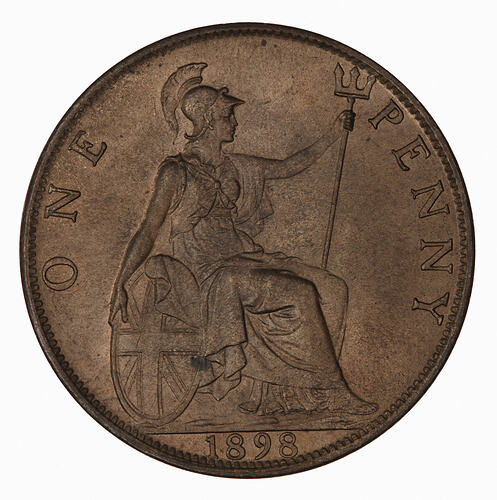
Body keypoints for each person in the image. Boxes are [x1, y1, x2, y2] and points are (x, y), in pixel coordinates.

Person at [109, 64, 377, 417]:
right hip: (205, 275)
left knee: (332, 287)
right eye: (226, 116)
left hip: (244, 262)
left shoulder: (234, 166)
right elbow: (148, 229)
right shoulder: (175, 171)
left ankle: (291, 394)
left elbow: (288, 166)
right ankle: (332, 391)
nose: (234, 123)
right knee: (300, 293)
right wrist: (121, 281)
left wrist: (334, 132)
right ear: (206, 120)